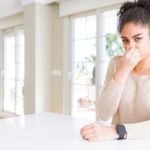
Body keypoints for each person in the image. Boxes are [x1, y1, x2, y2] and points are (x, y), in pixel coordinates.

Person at [80, 0, 150, 141]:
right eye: (125, 40)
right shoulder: (116, 64)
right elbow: (104, 114)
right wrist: (122, 71)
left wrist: (116, 131)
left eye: (138, 39)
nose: (130, 47)